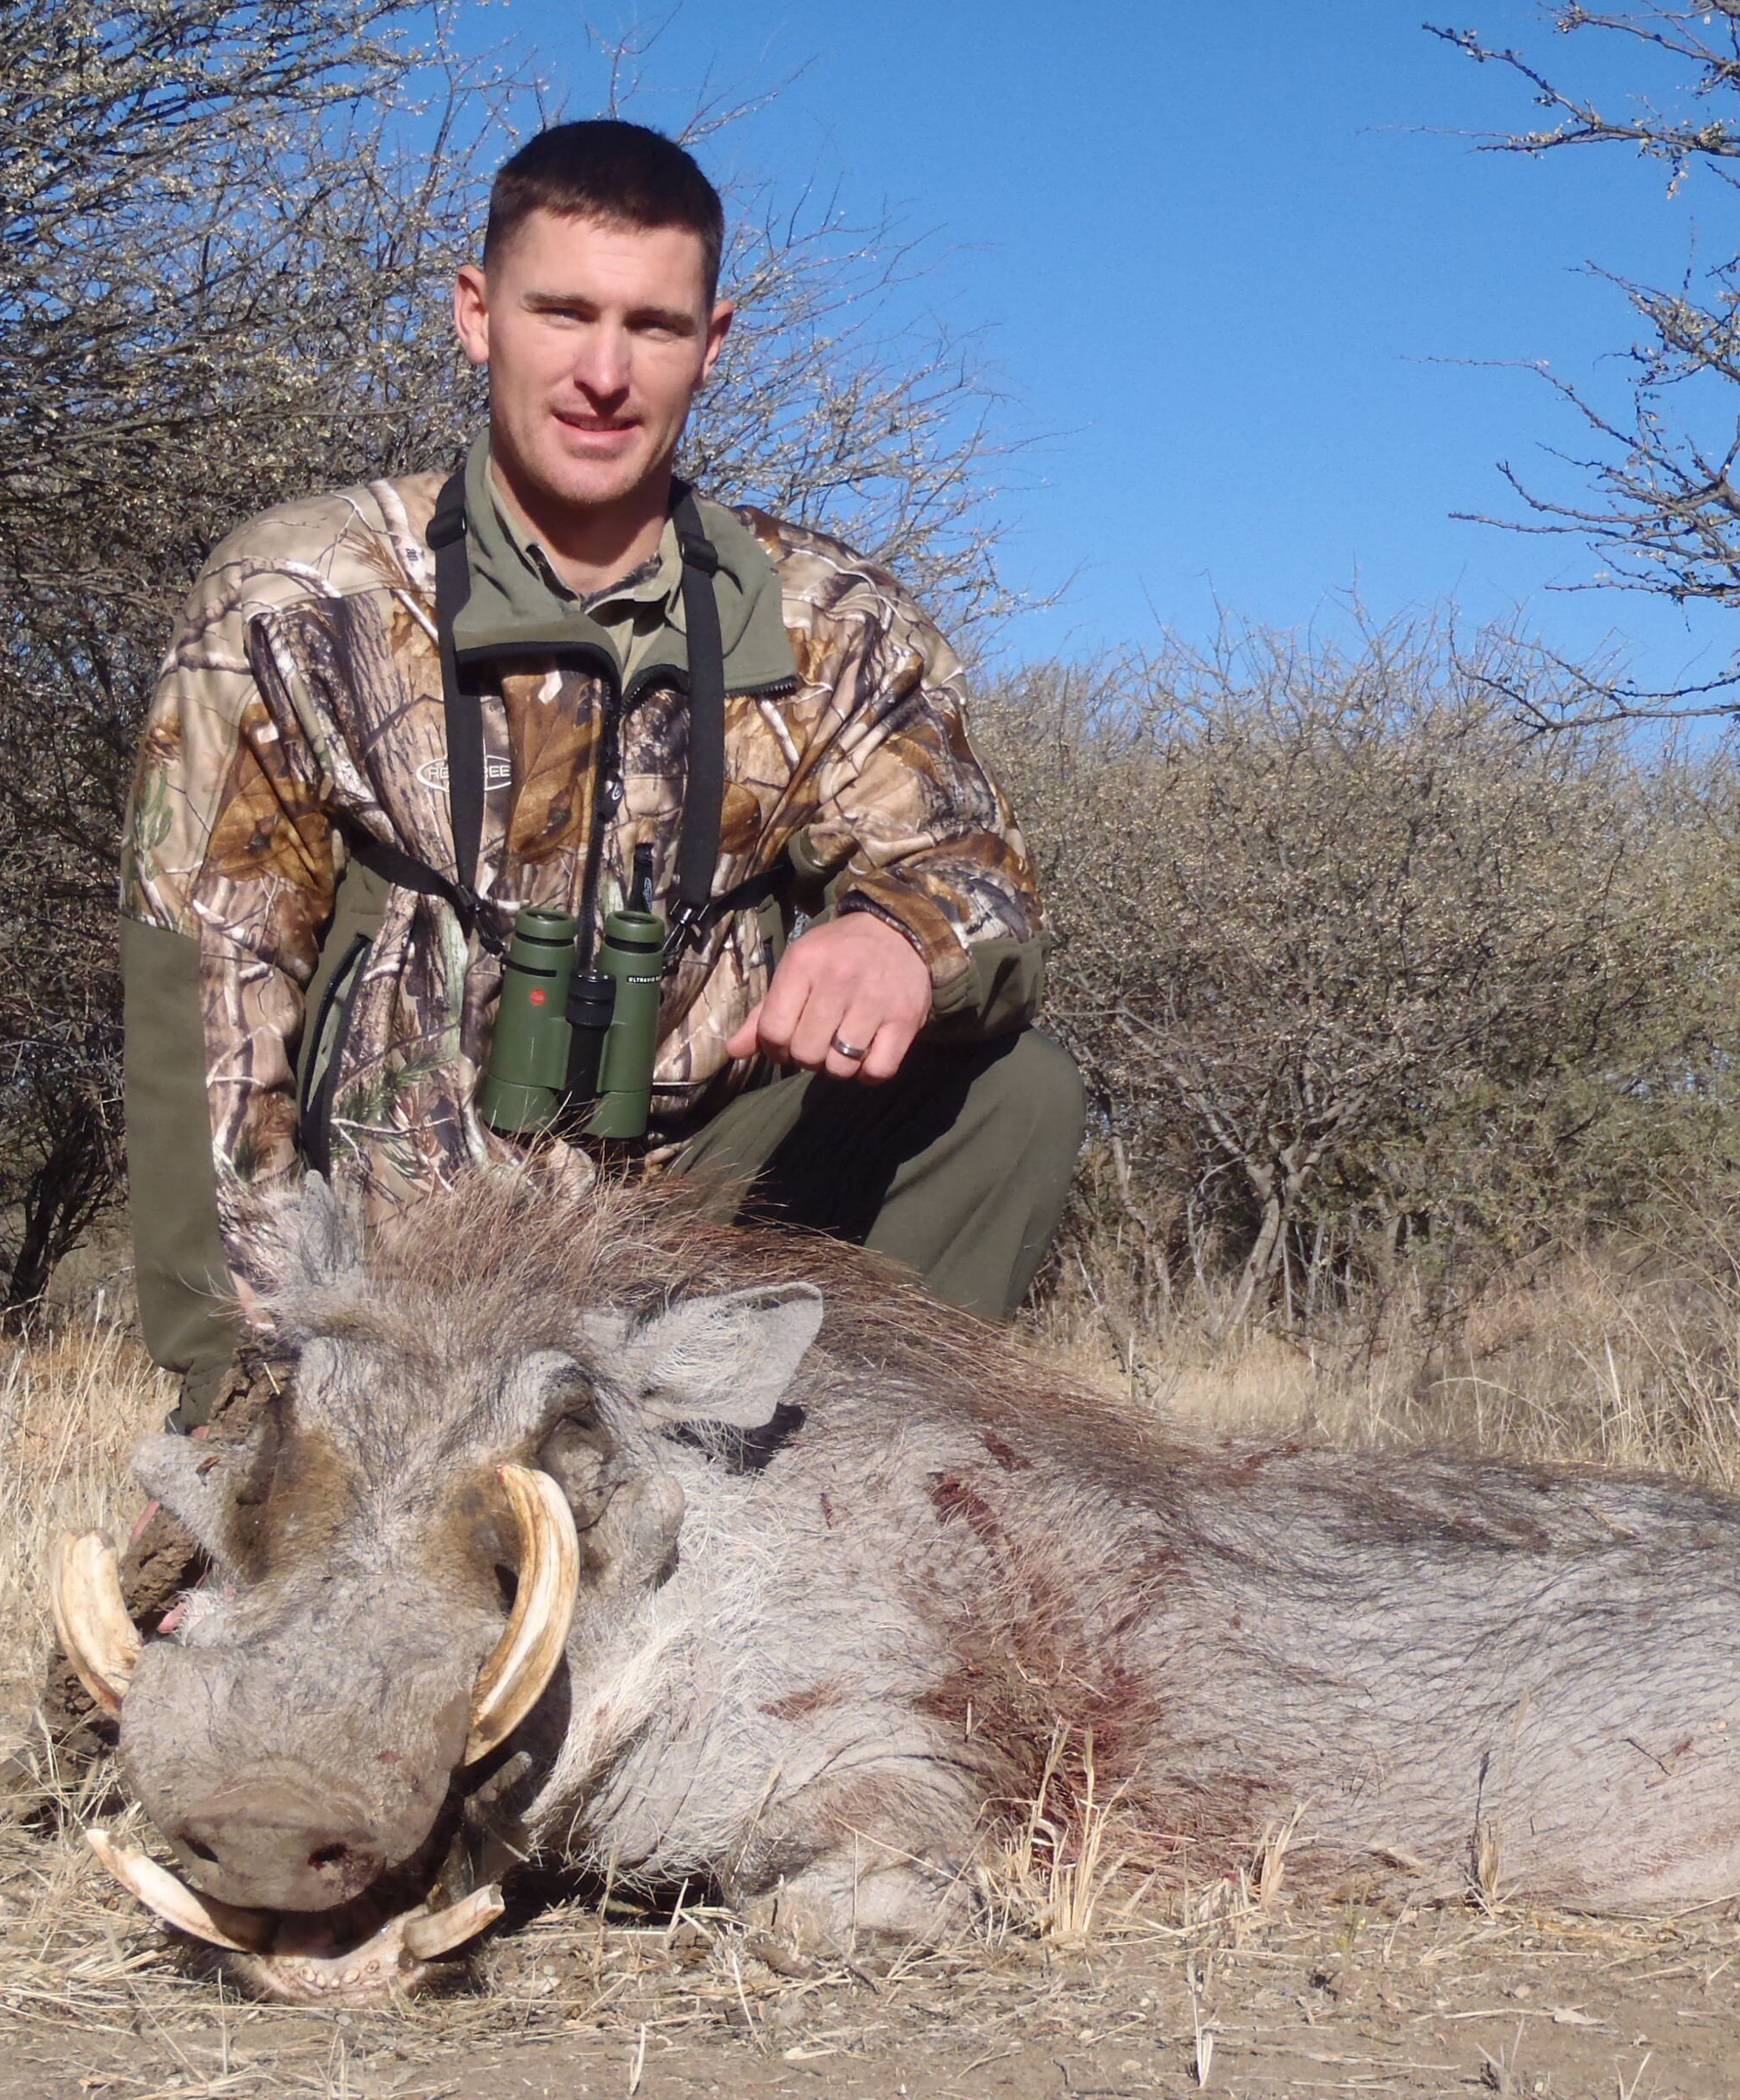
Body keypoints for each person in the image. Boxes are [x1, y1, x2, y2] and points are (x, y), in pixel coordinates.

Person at [117, 119, 1083, 1442]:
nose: (604, 374)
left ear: (716, 342)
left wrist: (900, 939)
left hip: (692, 1232)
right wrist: (235, 1397)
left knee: (1016, 1093)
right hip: (393, 1250)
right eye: (561, 312)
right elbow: (206, 997)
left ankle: (819, 1511)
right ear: (477, 314)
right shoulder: (296, 595)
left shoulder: (829, 617)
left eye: (655, 325)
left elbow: (970, 869)